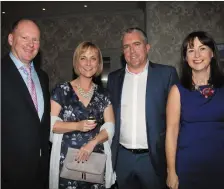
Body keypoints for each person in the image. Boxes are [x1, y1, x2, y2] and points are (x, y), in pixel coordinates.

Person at [107, 27, 179, 189]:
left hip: (153, 158)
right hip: (122, 158)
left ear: (147, 47)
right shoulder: (113, 79)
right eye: (126, 46)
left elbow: (177, 121)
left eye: (136, 44)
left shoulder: (166, 74)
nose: (131, 50)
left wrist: (172, 165)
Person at [49, 41, 116, 189]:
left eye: (93, 58)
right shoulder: (61, 90)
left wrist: (92, 143)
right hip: (66, 164)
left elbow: (110, 128)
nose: (88, 63)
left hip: (95, 163)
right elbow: (52, 125)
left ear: (98, 64)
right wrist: (78, 125)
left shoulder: (104, 94)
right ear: (76, 62)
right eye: (83, 57)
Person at [165, 31, 224, 189]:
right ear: (185, 57)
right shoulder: (177, 91)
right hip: (188, 167)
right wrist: (171, 171)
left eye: (202, 48)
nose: (197, 54)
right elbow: (171, 133)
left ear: (212, 53)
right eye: (191, 50)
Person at [1, 19, 50, 189]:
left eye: (35, 40)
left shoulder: (43, 77)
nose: (31, 44)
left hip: (40, 171)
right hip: (8, 174)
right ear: (10, 39)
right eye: (25, 38)